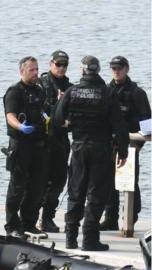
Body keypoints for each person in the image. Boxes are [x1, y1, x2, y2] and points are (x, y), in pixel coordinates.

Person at [53, 55, 129, 251]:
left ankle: (70, 238)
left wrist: (72, 124)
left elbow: (58, 118)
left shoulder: (72, 91)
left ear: (83, 70)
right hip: (101, 149)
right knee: (96, 194)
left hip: (78, 147)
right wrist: (123, 152)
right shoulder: (107, 93)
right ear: (98, 70)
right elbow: (120, 126)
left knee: (75, 192)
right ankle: (90, 239)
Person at [100, 56, 151, 230]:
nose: (116, 71)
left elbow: (147, 123)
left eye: (120, 68)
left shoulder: (137, 93)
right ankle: (110, 218)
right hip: (109, 144)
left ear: (127, 69)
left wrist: (136, 146)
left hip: (130, 144)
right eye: (113, 68)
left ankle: (131, 218)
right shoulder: (106, 90)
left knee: (131, 183)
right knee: (108, 182)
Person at [3, 56, 48, 239]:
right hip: (20, 145)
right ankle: (12, 226)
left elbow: (41, 110)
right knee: (17, 186)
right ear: (22, 71)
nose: (36, 73)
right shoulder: (15, 91)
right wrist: (20, 126)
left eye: (37, 69)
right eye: (32, 70)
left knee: (37, 186)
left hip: (38, 144)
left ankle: (29, 222)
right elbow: (10, 115)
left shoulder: (38, 90)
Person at [38, 50, 73, 233]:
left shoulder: (71, 87)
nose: (61, 68)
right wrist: (56, 108)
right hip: (44, 140)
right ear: (50, 63)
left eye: (64, 65)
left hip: (61, 140)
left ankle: (47, 217)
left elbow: (75, 112)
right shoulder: (41, 84)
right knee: (40, 180)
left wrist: (69, 119)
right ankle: (31, 216)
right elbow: (38, 109)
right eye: (58, 64)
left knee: (59, 180)